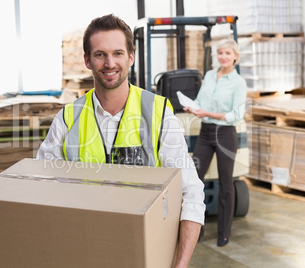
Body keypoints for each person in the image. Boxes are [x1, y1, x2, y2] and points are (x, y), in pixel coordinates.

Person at [37, 14, 205, 267]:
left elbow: (190, 191)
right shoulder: (68, 118)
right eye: (100, 54)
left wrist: (179, 265)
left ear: (131, 57)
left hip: (146, 252)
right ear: (87, 60)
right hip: (85, 251)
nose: (109, 63)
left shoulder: (158, 113)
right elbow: (39, 186)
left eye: (117, 53)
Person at [184, 39, 247, 247]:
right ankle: (197, 229)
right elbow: (201, 102)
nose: (223, 57)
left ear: (235, 57)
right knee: (195, 180)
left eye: (227, 53)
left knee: (226, 184)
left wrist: (207, 113)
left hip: (225, 134)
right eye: (220, 53)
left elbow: (236, 116)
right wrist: (193, 108)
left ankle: (224, 233)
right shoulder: (210, 75)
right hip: (205, 133)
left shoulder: (238, 83)